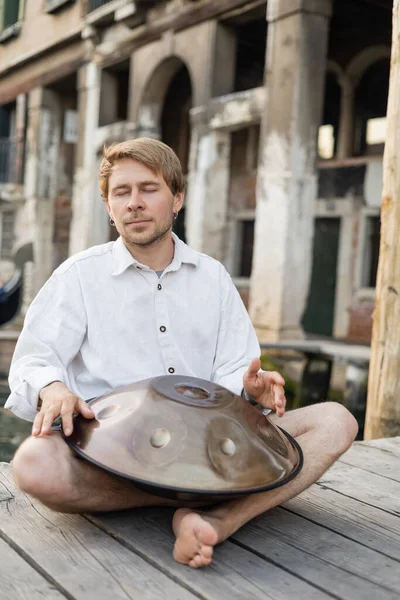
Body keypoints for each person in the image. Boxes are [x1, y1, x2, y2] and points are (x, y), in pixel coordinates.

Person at [6, 138, 358, 569]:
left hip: (210, 447)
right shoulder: (78, 276)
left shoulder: (213, 277)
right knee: (31, 465)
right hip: (110, 449)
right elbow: (32, 361)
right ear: (109, 205)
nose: (134, 203)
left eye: (149, 189)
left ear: (177, 198)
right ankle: (188, 498)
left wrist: (250, 389)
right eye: (122, 192)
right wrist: (54, 386)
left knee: (336, 420)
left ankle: (223, 518)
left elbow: (235, 371)